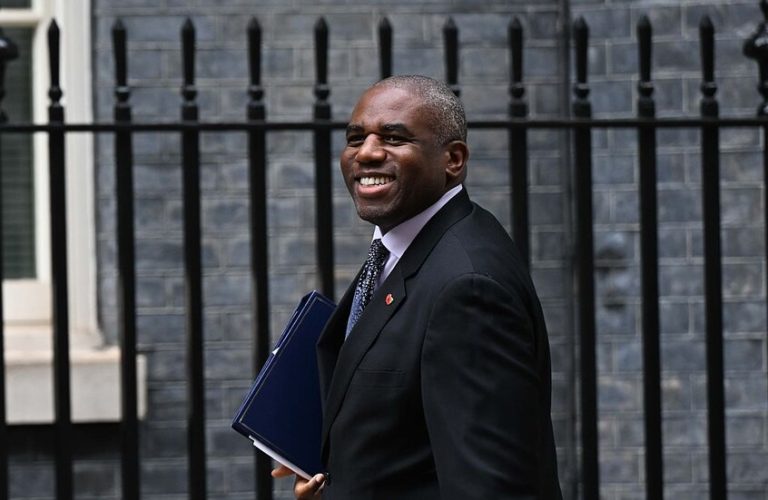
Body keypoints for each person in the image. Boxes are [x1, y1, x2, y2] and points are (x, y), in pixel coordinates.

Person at [273, 75, 563, 499]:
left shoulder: (468, 290)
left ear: (453, 159)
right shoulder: (402, 248)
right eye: (356, 138)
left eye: (394, 138)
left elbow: (493, 487)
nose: (367, 152)